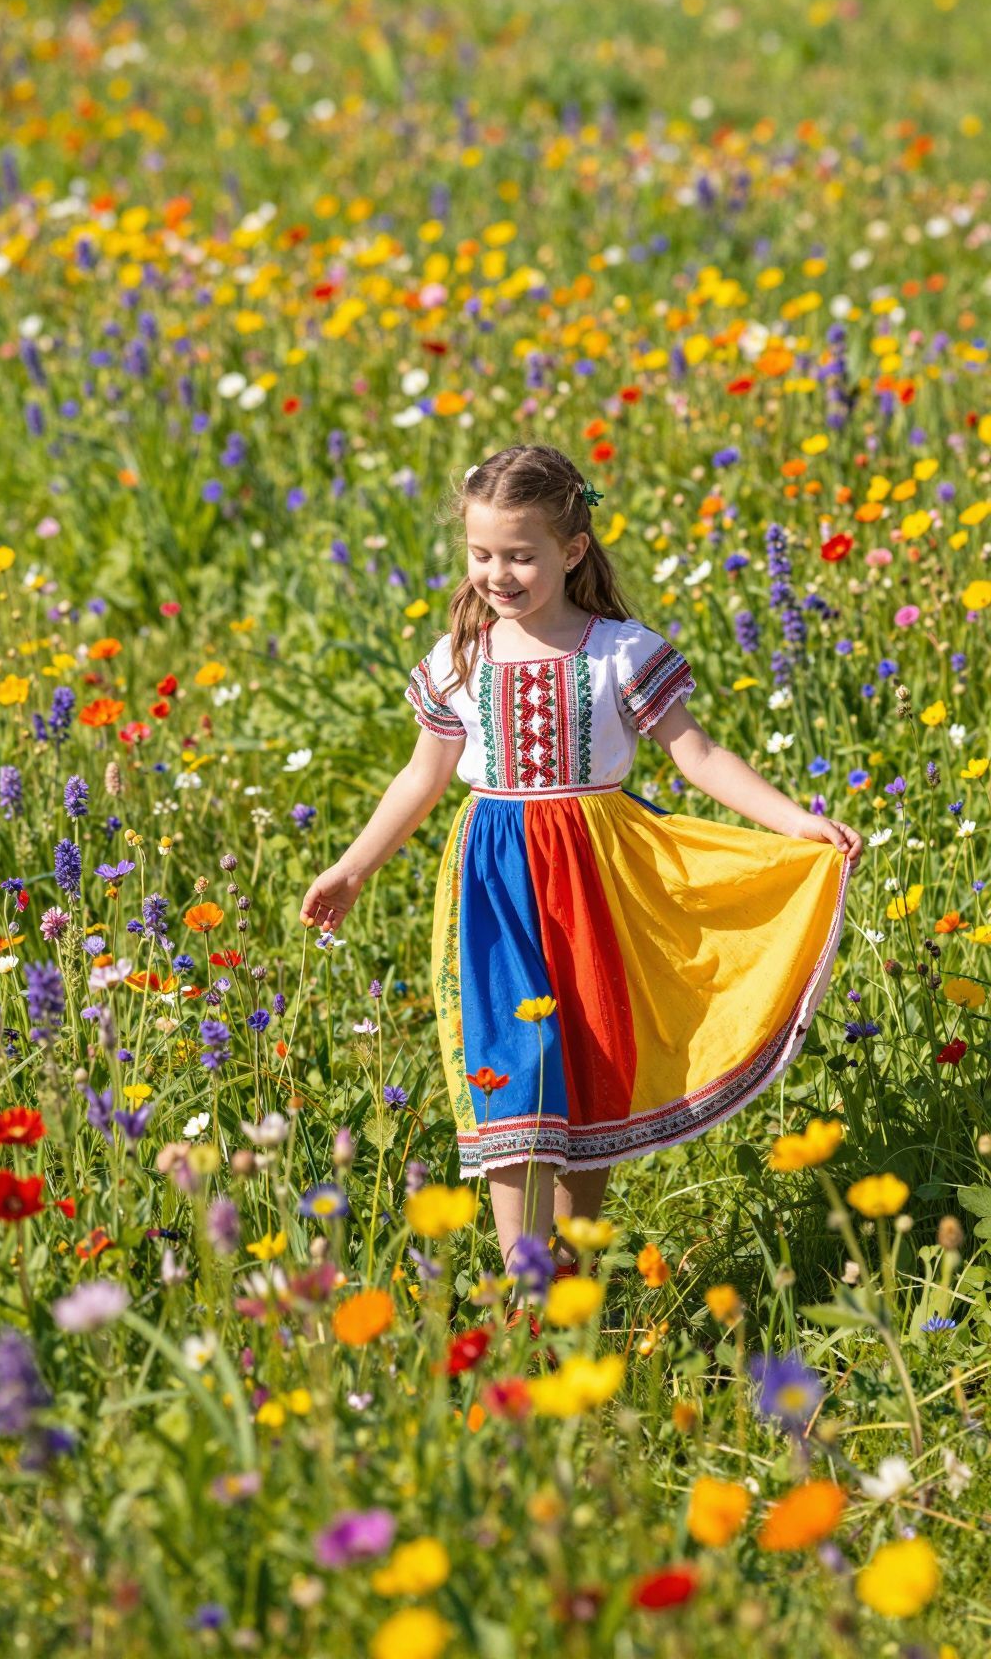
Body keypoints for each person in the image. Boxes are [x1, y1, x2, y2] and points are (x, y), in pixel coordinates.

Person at [299, 443, 862, 1277]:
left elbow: (698, 757)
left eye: (521, 555)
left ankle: (573, 1269)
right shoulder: (462, 657)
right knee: (510, 1071)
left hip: (602, 879)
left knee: (588, 1061)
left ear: (572, 550)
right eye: (482, 554)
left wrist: (796, 821)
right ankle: (526, 1278)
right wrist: (352, 867)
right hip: (494, 886)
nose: (499, 573)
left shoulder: (619, 652)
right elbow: (420, 778)